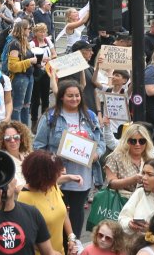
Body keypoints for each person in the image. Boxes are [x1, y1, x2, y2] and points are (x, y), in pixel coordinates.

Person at [34, 79, 105, 236]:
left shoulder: (90, 116)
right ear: (61, 97)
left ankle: (75, 245)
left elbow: (101, 142)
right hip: (58, 175)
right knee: (58, 212)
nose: (74, 99)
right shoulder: (50, 117)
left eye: (77, 95)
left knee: (77, 212)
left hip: (83, 175)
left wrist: (96, 155)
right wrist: (53, 160)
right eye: (70, 96)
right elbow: (38, 146)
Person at [19, 151, 78, 255]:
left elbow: (63, 212)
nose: (61, 173)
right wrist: (49, 252)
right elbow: (25, 237)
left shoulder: (52, 187)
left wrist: (71, 237)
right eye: (56, 172)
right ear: (42, 176)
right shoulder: (24, 199)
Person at [104, 123, 154, 199]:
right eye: (133, 141)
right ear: (126, 141)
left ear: (147, 142)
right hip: (120, 202)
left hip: (144, 202)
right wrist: (132, 180)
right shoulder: (115, 157)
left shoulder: (150, 158)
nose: (137, 144)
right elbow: (111, 183)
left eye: (142, 141)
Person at [0, 120, 33, 189]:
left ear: (21, 138)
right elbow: (17, 189)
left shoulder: (27, 155)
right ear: (2, 142)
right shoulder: (4, 161)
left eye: (16, 137)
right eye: (7, 138)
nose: (12, 141)